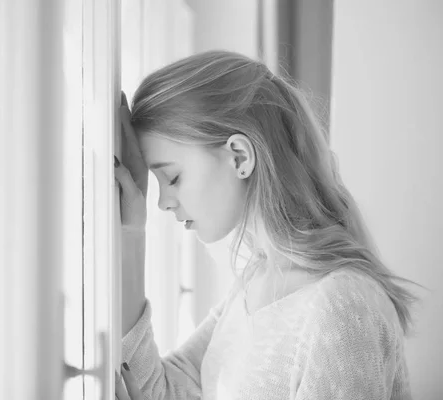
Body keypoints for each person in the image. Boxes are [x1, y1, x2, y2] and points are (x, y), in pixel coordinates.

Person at [113, 50, 418, 400]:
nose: (164, 202)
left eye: (172, 177)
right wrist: (131, 233)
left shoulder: (341, 305)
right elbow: (160, 392)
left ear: (240, 156)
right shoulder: (255, 282)